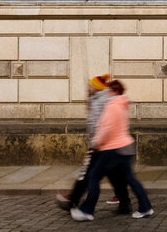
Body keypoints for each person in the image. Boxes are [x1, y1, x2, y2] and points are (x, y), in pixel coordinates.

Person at [71, 80, 153, 222]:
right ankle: (145, 207)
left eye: (109, 91)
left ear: (115, 92)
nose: (107, 93)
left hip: (112, 149)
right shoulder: (122, 104)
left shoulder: (112, 106)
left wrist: (96, 143)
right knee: (131, 180)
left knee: (94, 177)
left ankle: (86, 211)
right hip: (125, 147)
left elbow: (107, 129)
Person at [56, 74, 131, 214]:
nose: (88, 87)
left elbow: (102, 124)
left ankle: (76, 203)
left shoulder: (102, 100)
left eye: (91, 85)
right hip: (102, 145)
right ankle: (124, 203)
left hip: (102, 145)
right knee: (113, 176)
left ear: (96, 87)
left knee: (89, 176)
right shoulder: (96, 99)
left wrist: (96, 143)